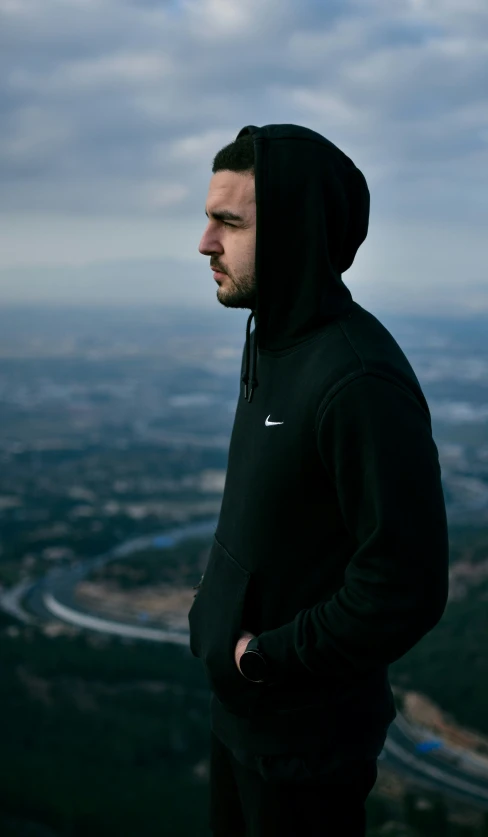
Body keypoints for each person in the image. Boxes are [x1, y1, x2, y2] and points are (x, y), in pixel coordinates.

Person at [190, 123, 450, 836]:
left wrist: (266, 658)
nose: (205, 243)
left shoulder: (357, 377)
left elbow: (406, 584)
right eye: (208, 219)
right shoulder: (273, 341)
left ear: (295, 235)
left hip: (304, 751)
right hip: (241, 721)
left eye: (229, 222)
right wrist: (217, 607)